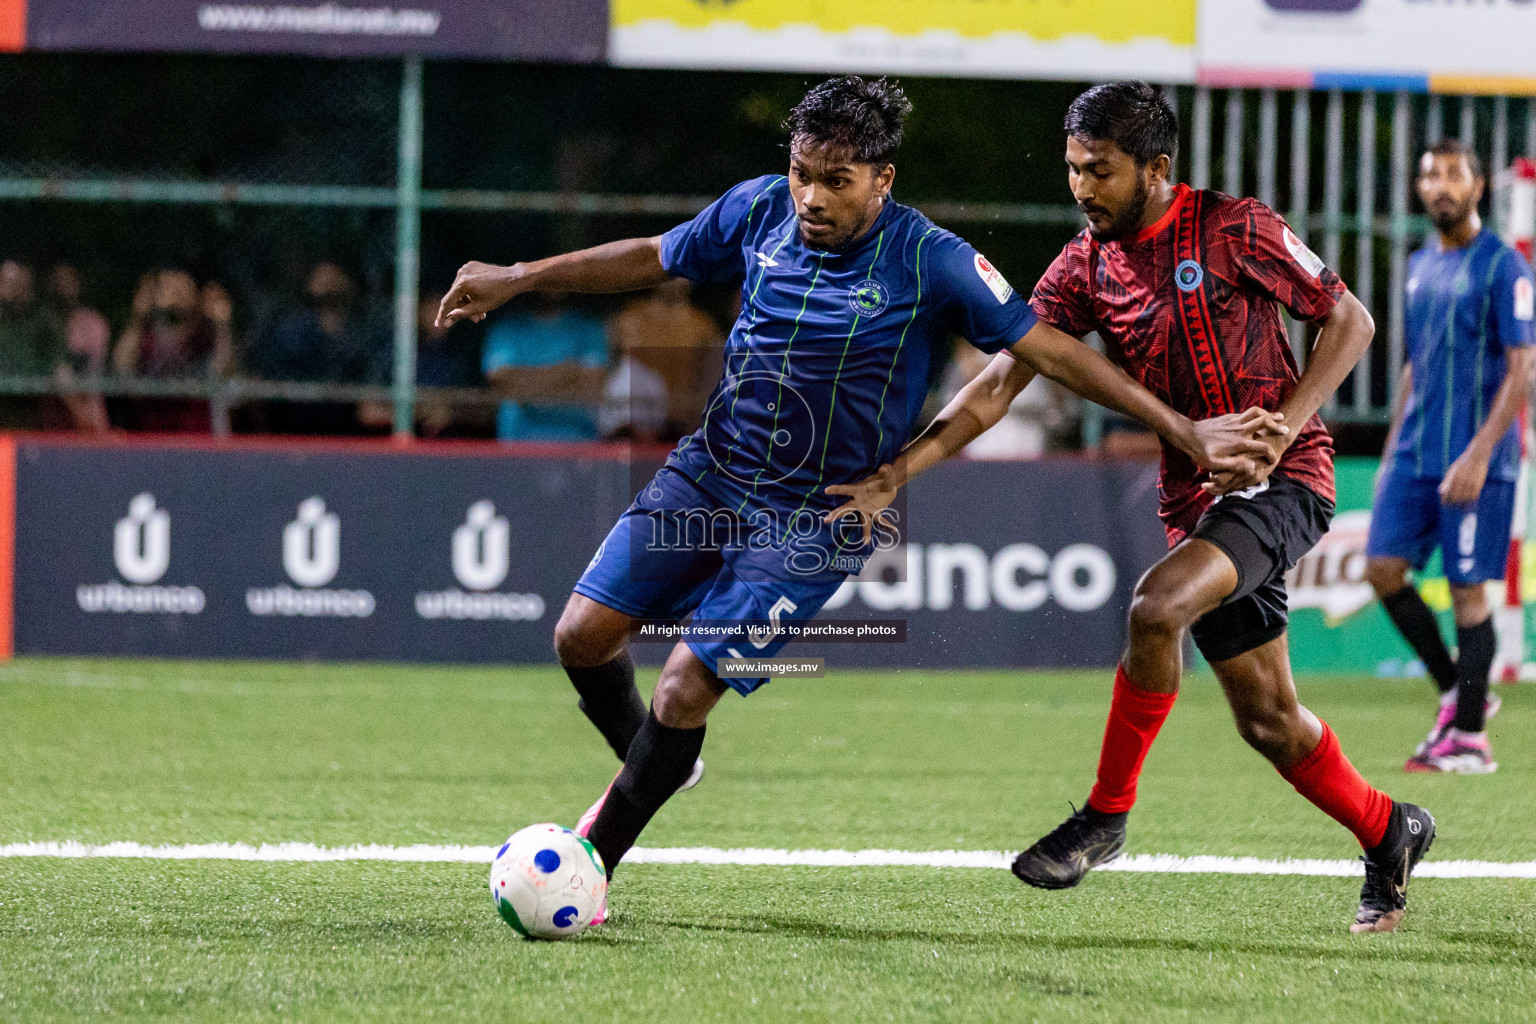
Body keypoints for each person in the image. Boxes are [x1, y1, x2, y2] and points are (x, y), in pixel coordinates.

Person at [438, 76, 1278, 923]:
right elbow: (655, 256)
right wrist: (517, 275)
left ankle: (593, 866)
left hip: (819, 513)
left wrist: (1184, 429)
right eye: (803, 173)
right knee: (580, 636)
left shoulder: (933, 259)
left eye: (836, 181)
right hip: (711, 472)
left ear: (883, 178)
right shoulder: (759, 209)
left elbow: (1050, 352)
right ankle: (656, 764)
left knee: (685, 687)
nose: (811, 196)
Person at [829, 82, 1432, 933]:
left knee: (1157, 606)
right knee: (1268, 720)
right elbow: (1003, 380)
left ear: (1156, 168)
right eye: (1073, 169)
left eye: (1100, 171)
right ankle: (1390, 827)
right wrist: (901, 471)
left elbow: (1352, 319)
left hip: (1289, 477)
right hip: (1199, 503)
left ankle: (1106, 816)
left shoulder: (1234, 226)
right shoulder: (1084, 265)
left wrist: (1281, 430)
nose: (1081, 188)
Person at [1363, 140, 1535, 774]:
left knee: (1468, 590)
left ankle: (1469, 740)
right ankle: (1458, 691)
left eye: (1453, 175)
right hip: (1416, 454)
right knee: (1382, 569)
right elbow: (1417, 363)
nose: (1440, 185)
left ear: (1478, 186)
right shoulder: (1418, 265)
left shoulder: (1504, 267)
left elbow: (1524, 369)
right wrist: (1389, 453)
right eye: (1430, 175)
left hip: (1478, 457)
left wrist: (1481, 455)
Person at [257, 262, 383, 435]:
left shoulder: (364, 333)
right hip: (296, 429)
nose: (326, 281)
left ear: (347, 282)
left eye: (333, 274)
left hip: (348, 433)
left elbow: (370, 392)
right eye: (320, 276)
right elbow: (271, 383)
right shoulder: (291, 330)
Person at [481, 292, 609, 441]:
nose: (549, 285)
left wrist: (526, 381)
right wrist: (567, 372)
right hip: (518, 445)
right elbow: (503, 384)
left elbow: (593, 385)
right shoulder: (506, 330)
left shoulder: (589, 328)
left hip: (580, 443)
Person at [606, 278, 724, 437]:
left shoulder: (704, 328)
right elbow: (617, 378)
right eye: (671, 269)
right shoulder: (630, 319)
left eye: (682, 272)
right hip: (631, 429)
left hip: (682, 427)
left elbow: (710, 384)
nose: (676, 279)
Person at [0, 260, 72, 430]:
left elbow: (61, 371)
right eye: (4, 282)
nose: (12, 288)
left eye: (17, 282)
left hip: (34, 411)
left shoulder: (44, 320)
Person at [47, 263, 111, 432]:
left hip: (88, 418)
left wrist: (92, 420)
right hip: (47, 419)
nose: (64, 286)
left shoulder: (93, 323)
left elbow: (95, 375)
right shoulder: (44, 324)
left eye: (69, 279)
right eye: (59, 280)